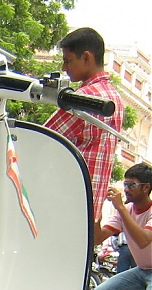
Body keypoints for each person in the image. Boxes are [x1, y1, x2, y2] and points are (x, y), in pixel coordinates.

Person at [44, 28, 124, 225]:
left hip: (67, 202)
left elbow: (42, 137)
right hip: (90, 208)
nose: (64, 67)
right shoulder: (115, 98)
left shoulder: (86, 98)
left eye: (68, 60)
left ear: (86, 57)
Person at [89, 163, 152, 290]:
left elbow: (144, 240)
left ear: (146, 187)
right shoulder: (125, 211)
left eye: (131, 185)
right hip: (142, 270)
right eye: (124, 184)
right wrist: (96, 212)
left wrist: (122, 209)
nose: (125, 189)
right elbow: (98, 238)